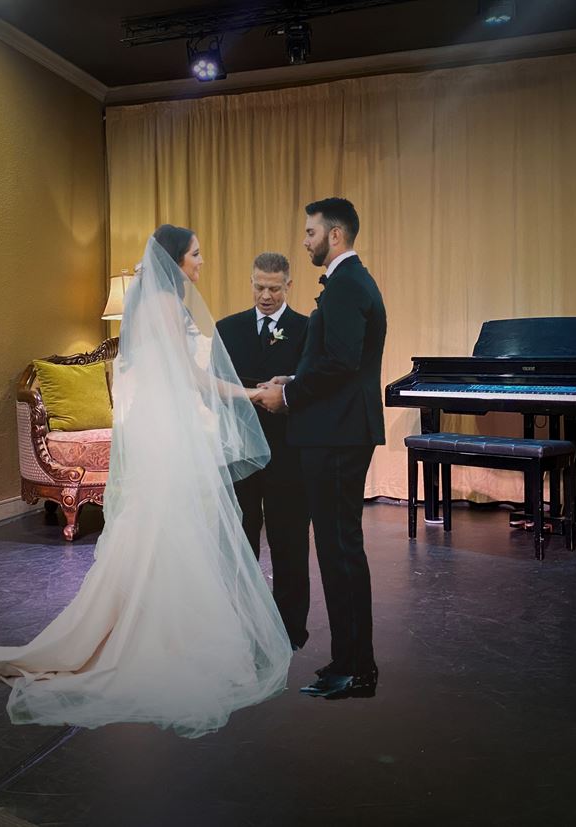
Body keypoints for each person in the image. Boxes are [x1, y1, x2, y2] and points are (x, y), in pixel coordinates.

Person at [0, 225, 292, 738]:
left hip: (163, 433)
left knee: (163, 535)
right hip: (171, 438)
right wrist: (253, 395)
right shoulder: (167, 305)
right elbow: (192, 380)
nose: (202, 262)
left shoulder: (157, 303)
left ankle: (147, 624)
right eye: (196, 254)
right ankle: (165, 638)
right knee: (175, 534)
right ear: (176, 261)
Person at [254, 198, 387, 701]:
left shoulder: (347, 285)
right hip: (337, 431)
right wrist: (292, 380)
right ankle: (349, 661)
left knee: (339, 553)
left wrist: (287, 397)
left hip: (336, 436)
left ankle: (356, 670)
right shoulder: (350, 282)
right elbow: (336, 363)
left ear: (334, 235)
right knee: (336, 551)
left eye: (310, 232)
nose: (305, 239)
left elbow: (341, 363)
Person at [216, 253, 310, 649]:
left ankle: (290, 631)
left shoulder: (307, 329)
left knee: (290, 541)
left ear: (289, 285)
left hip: (289, 451)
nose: (266, 296)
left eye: (274, 288)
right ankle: (242, 625)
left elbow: (315, 386)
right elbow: (213, 386)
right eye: (259, 287)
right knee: (240, 539)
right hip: (240, 451)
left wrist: (290, 387)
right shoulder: (227, 329)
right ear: (251, 282)